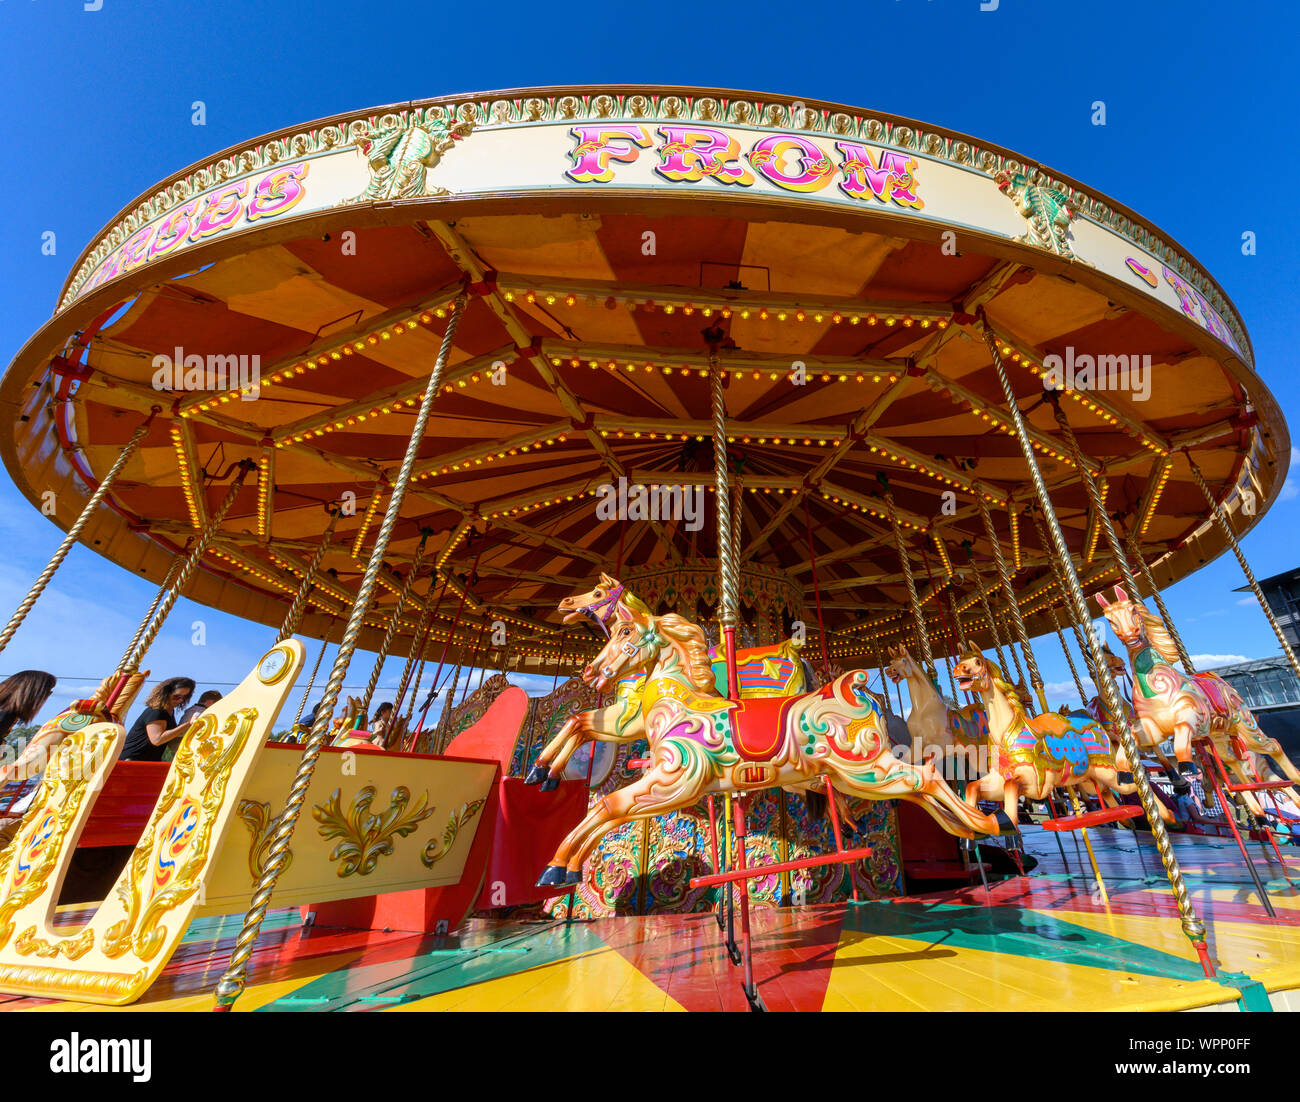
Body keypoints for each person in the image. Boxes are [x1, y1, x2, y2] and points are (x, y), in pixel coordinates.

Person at [120, 677, 195, 762]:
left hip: (148, 761)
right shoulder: (156, 711)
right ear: (166, 693)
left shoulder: (169, 712)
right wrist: (188, 724)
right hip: (131, 760)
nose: (181, 700)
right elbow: (157, 739)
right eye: (177, 696)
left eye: (184, 697)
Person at [0, 671, 56, 740]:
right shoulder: (6, 714)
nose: (49, 694)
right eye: (47, 691)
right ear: (32, 692)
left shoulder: (8, 712)